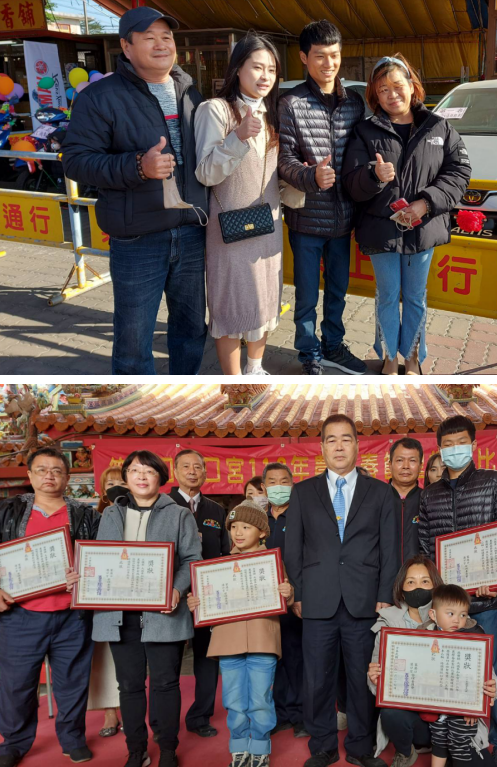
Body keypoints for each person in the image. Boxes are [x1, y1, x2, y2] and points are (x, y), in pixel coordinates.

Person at [62, 7, 208, 375]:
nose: (161, 45)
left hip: (192, 231)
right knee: (133, 338)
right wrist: (137, 166)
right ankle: (138, 409)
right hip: (137, 238)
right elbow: (76, 161)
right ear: (126, 47)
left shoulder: (190, 92)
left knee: (191, 331)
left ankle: (182, 402)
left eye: (167, 37)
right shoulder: (99, 97)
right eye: (149, 37)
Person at [343, 54, 471, 375]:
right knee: (387, 295)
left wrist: (426, 203)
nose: (391, 94)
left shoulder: (437, 126)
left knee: (415, 297)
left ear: (412, 87)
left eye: (398, 86)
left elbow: (460, 170)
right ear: (375, 94)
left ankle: (412, 358)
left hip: (422, 228)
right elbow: (351, 181)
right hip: (380, 230)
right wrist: (374, 175)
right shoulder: (364, 131)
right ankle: (389, 357)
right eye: (383, 89)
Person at [284, 414, 398, 767]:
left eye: (345, 439)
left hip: (365, 602)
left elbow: (391, 550)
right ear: (321, 447)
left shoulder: (381, 492)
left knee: (363, 680)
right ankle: (323, 746)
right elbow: (294, 549)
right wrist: (298, 594)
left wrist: (385, 595)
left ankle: (362, 748)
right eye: (331, 439)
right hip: (317, 602)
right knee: (317, 679)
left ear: (356, 445)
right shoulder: (303, 492)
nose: (338, 446)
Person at [87, 450, 202, 767]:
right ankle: (135, 749)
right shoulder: (111, 514)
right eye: (134, 470)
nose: (141, 476)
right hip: (119, 616)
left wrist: (177, 590)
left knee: (166, 683)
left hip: (164, 613)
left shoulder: (179, 515)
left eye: (148, 471)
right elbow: (100, 560)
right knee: (130, 685)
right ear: (125, 477)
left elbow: (192, 560)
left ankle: (167, 748)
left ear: (161, 479)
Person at [418, 415, 497, 767]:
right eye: (447, 444)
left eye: (461, 442)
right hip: (446, 606)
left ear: (473, 445)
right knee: (450, 674)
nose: (454, 449)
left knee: (492, 677)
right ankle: (454, 742)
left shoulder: (495, 482)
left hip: (486, 601)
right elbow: (427, 548)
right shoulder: (429, 495)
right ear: (440, 450)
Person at [0, 447, 101, 767]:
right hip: (19, 616)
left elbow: (102, 558)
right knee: (16, 685)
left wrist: (86, 573)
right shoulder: (8, 511)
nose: (49, 476)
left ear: (67, 478)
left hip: (72, 615)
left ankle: (72, 738)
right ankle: (14, 742)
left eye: (57, 470)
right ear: (29, 475)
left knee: (72, 682)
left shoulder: (86, 514)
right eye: (42, 470)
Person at [278, 20, 367, 375]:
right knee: (306, 295)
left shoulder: (355, 104)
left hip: (344, 219)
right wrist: (311, 176)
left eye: (334, 55)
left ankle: (334, 345)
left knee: (338, 292)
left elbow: (363, 154)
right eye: (319, 56)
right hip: (306, 218)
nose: (328, 63)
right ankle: (309, 352)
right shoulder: (291, 104)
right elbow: (283, 161)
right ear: (304, 58)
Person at [194, 32, 283, 376]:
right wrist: (238, 136)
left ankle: (255, 368)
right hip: (228, 228)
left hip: (267, 223)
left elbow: (275, 174)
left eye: (271, 70)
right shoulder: (215, 109)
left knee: (263, 296)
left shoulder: (272, 113)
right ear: (238, 69)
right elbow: (205, 172)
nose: (265, 77)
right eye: (257, 67)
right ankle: (234, 381)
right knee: (230, 303)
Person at [188, 499, 294, 767]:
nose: (238, 532)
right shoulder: (217, 567)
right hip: (228, 642)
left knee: (260, 698)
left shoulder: (272, 562)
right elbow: (207, 602)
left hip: (262, 641)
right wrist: (197, 603)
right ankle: (238, 745)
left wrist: (288, 594)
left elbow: (286, 596)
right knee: (233, 698)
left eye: (246, 526)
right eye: (234, 526)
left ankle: (260, 745)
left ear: (261, 531)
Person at [370, 584, 497, 767]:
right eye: (451, 614)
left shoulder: (474, 639)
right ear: (433, 615)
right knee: (439, 743)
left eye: (462, 615)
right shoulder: (420, 638)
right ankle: (412, 751)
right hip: (431, 716)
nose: (457, 620)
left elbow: (491, 680)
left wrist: (479, 702)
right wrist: (381, 677)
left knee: (464, 751)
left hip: (463, 717)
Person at [168, 449, 230, 738]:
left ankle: (200, 716)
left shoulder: (216, 511)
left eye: (198, 467)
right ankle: (162, 721)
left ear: (206, 472)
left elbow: (226, 554)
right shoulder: (162, 505)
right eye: (186, 466)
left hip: (208, 600)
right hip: (173, 598)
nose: (193, 471)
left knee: (207, 660)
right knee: (168, 662)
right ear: (175, 470)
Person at [366, 555, 442, 767]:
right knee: (390, 713)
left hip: (447, 721)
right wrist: (374, 679)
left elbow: (484, 674)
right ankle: (406, 750)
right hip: (414, 721)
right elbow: (374, 685)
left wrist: (490, 688)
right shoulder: (388, 624)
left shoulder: (452, 616)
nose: (418, 587)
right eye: (411, 582)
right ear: (401, 588)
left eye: (425, 581)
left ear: (436, 585)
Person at [262, 463, 308, 739]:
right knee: (273, 660)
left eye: (284, 481)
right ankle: (280, 714)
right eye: (272, 482)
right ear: (264, 487)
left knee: (297, 660)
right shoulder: (257, 519)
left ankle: (301, 715)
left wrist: (298, 595)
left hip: (295, 603)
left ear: (292, 484)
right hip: (264, 605)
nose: (278, 486)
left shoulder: (302, 516)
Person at [89, 467, 126, 737]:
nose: (116, 487)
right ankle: (110, 712)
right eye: (110, 483)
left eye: (121, 482)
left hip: (137, 593)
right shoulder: (93, 517)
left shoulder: (142, 514)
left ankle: (136, 711)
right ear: (102, 490)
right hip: (105, 594)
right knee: (105, 656)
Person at [389, 437, 424, 567]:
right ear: (390, 464)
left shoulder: (428, 499)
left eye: (412, 461)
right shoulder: (376, 499)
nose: (405, 466)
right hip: (383, 579)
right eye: (399, 460)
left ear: (420, 465)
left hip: (419, 578)